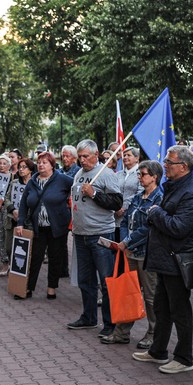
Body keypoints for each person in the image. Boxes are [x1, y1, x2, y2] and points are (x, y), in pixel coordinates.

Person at [132, 146, 193, 374]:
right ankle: (158, 350)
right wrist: (157, 214)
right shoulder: (174, 187)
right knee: (162, 307)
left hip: (177, 260)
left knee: (179, 310)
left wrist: (156, 213)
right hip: (165, 259)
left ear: (183, 167)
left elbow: (179, 227)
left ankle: (184, 358)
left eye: (169, 162)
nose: (165, 165)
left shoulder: (191, 193)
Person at [103, 160, 163, 347]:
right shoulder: (138, 197)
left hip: (146, 253)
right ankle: (122, 332)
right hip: (130, 251)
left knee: (150, 296)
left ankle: (154, 334)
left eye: (143, 174)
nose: (139, 178)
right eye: (139, 174)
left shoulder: (159, 199)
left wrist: (127, 241)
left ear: (154, 177)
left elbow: (148, 227)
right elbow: (125, 220)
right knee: (128, 292)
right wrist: (124, 240)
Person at [67, 140, 123, 336]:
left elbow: (117, 202)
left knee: (106, 282)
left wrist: (95, 194)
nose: (82, 160)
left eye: (86, 156)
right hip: (81, 234)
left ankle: (110, 323)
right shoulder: (78, 174)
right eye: (80, 157)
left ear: (96, 154)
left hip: (100, 234)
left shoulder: (106, 174)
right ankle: (89, 317)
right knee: (85, 280)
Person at [16, 152, 72, 300]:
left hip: (57, 227)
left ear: (52, 165)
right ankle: (28, 288)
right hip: (38, 227)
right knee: (35, 258)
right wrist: (20, 222)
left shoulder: (63, 179)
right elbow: (23, 204)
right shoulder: (32, 182)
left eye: (45, 162)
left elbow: (77, 189)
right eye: (39, 162)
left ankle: (51, 288)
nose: (41, 165)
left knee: (55, 258)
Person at [0, 154, 13, 275]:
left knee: (9, 237)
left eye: (4, 163)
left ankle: (13, 262)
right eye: (0, 163)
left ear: (9, 165)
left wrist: (3, 201)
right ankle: (5, 263)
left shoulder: (14, 178)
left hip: (9, 211)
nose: (2, 166)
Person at [115, 148, 141, 241]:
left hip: (131, 217)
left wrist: (124, 207)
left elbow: (139, 193)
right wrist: (116, 207)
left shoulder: (141, 174)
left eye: (128, 155)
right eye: (124, 155)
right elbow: (113, 191)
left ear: (137, 158)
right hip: (115, 217)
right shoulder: (118, 174)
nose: (125, 157)